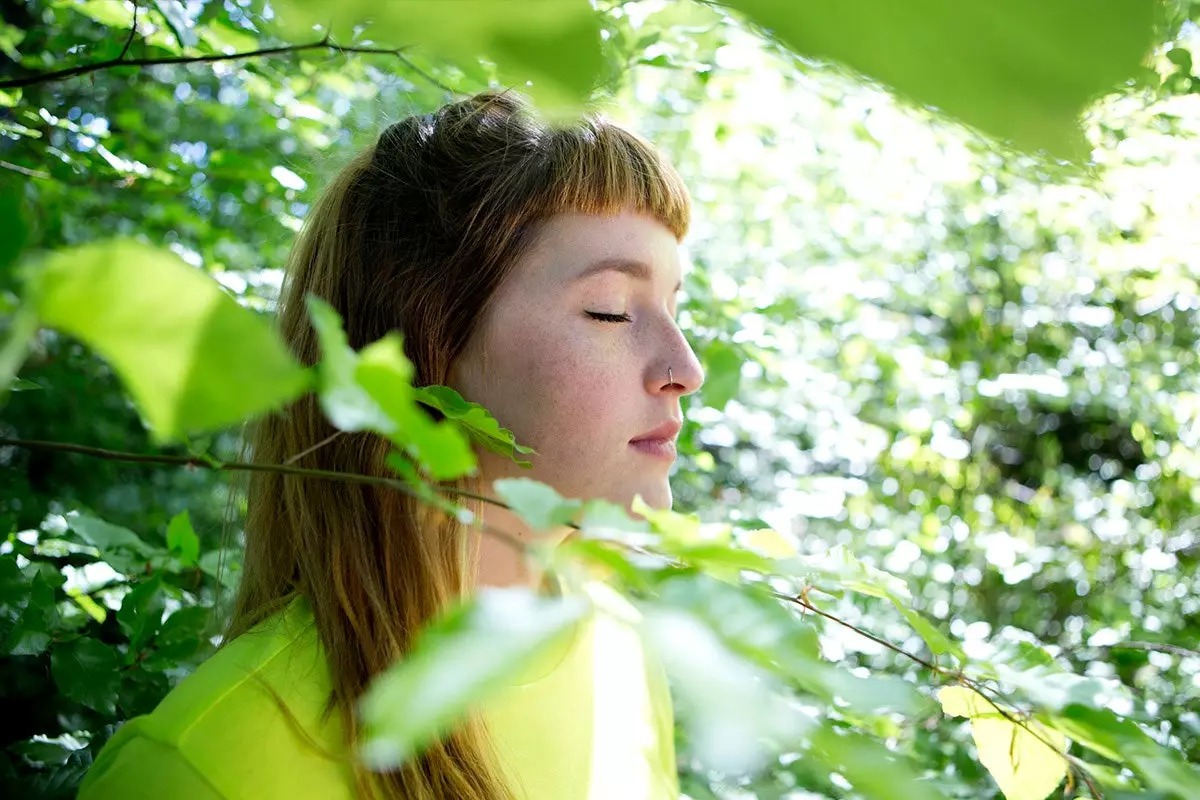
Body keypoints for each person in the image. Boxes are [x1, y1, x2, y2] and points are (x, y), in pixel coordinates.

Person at [77, 89, 705, 800]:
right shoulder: (201, 770)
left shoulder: (615, 643)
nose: (686, 369)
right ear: (422, 352)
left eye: (676, 306)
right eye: (610, 311)